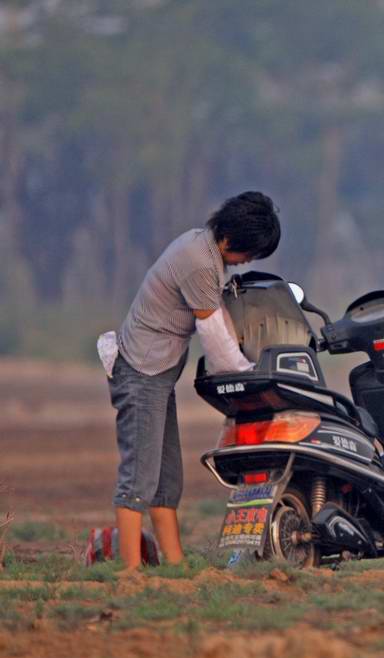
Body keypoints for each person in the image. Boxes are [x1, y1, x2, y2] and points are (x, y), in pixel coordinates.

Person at [96, 191, 281, 572]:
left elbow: (220, 321)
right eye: (248, 253)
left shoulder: (205, 248)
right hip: (142, 374)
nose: (247, 262)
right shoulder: (199, 263)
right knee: (139, 478)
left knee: (167, 481)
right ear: (231, 238)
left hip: (158, 375)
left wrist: (247, 365)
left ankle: (176, 568)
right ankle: (130, 574)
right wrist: (248, 375)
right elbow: (214, 334)